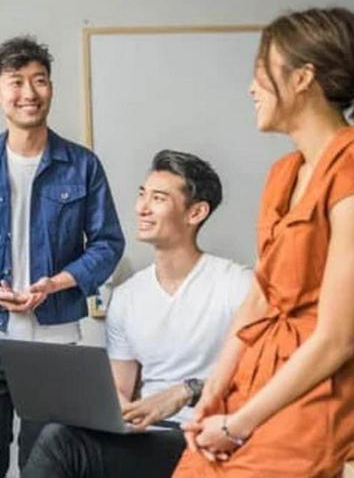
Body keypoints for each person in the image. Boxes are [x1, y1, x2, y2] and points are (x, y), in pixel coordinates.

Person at [173, 7, 354, 477]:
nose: (251, 87)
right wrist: (215, 392)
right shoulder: (284, 173)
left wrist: (239, 424)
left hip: (317, 399)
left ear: (302, 78)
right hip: (253, 383)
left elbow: (336, 340)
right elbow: (259, 299)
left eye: (261, 71)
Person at [0, 35, 125, 477]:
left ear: (51, 88)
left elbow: (108, 243)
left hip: (54, 339)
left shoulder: (82, 165)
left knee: (46, 460)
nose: (29, 93)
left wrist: (55, 283)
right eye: (16, 82)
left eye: (39, 80)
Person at [22, 150, 252, 478]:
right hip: (149, 437)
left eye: (158, 198)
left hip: (204, 435)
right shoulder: (127, 296)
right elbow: (120, 389)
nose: (142, 208)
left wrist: (187, 390)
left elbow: (262, 373)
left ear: (196, 212)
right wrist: (107, 412)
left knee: (60, 443)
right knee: (60, 433)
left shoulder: (237, 285)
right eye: (142, 194)